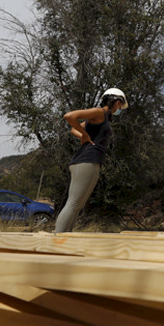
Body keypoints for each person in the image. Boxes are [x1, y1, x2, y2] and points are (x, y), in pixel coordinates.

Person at [56, 88, 128, 233]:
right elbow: (70, 116)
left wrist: (83, 135)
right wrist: (85, 135)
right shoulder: (99, 112)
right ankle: (58, 238)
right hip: (85, 160)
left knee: (77, 205)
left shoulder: (103, 117)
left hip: (92, 161)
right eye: (120, 106)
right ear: (117, 101)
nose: (119, 109)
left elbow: (73, 130)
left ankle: (66, 237)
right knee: (73, 203)